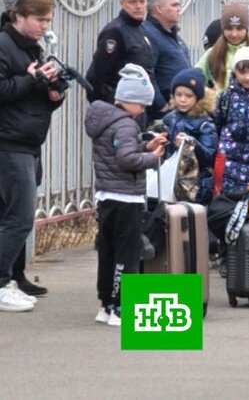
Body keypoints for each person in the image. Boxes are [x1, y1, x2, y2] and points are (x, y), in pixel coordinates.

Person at [0, 0, 66, 311]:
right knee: (20, 218)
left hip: (28, 141)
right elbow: (3, 90)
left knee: (10, 216)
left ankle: (14, 276)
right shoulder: (4, 45)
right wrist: (32, 80)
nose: (45, 25)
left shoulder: (32, 48)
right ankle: (1, 284)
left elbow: (32, 94)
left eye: (48, 20)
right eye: (40, 19)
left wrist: (54, 93)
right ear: (19, 17)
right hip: (9, 143)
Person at [85, 64, 166, 325]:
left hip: (107, 196)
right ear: (129, 102)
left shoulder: (107, 122)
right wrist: (152, 157)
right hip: (127, 198)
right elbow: (127, 159)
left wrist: (145, 145)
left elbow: (119, 150)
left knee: (107, 252)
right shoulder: (126, 125)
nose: (143, 111)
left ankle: (105, 303)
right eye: (141, 105)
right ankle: (121, 308)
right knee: (127, 254)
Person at [85, 0, 156, 105]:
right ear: (122, 3)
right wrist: (106, 104)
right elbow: (99, 73)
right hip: (120, 104)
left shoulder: (140, 29)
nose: (138, 6)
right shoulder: (115, 32)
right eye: (132, 2)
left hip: (138, 103)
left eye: (142, 1)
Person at [161, 69, 218, 204]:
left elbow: (209, 156)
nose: (182, 100)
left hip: (197, 184)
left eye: (188, 96)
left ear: (198, 98)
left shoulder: (205, 123)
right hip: (170, 179)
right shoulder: (169, 119)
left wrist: (190, 143)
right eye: (178, 94)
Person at [214, 46, 249, 194]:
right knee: (228, 199)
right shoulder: (226, 97)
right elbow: (218, 122)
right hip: (229, 157)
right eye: (242, 72)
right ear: (235, 72)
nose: (248, 77)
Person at [143, 0, 191, 121]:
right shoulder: (150, 35)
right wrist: (160, 104)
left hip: (179, 109)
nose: (179, 9)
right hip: (162, 114)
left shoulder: (172, 35)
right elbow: (147, 72)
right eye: (174, 5)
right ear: (159, 9)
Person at [196, 2, 249, 93]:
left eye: (239, 28)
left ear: (246, 29)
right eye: (229, 29)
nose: (234, 34)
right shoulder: (212, 54)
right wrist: (209, 93)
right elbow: (193, 80)